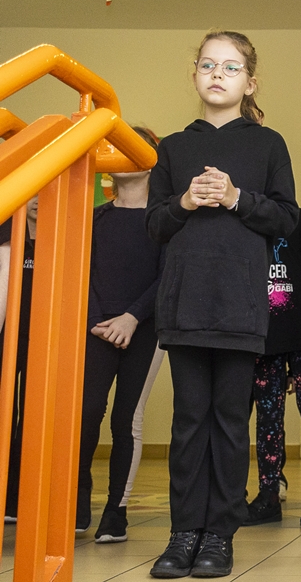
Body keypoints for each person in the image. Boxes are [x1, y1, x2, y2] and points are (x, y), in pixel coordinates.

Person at [145, 30, 298, 578]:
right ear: (194, 75)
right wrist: (186, 201)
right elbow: (154, 225)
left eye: (231, 67)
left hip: (239, 307)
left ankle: (219, 535)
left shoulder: (268, 144)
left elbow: (287, 218)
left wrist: (236, 198)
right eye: (208, 64)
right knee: (189, 421)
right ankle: (184, 532)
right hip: (184, 306)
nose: (218, 74)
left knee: (231, 423)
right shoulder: (172, 147)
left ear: (249, 82)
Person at [77, 128, 165, 543]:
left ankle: (117, 511)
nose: (121, 155)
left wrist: (131, 317)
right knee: (85, 413)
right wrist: (98, 320)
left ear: (151, 159)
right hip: (96, 328)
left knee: (126, 419)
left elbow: (168, 276)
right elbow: (82, 273)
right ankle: (78, 503)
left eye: (132, 148)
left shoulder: (164, 219)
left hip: (146, 330)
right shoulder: (94, 217)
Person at [243, 208, 301, 528]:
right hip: (263, 332)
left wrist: (288, 310)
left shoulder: (299, 218)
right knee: (268, 415)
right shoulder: (248, 218)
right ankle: (268, 493)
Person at [0, 194, 38, 525]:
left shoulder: (65, 237)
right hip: (7, 339)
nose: (38, 200)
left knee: (32, 418)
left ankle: (18, 498)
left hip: (44, 341)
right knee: (4, 414)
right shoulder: (8, 236)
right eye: (33, 192)